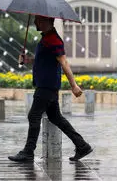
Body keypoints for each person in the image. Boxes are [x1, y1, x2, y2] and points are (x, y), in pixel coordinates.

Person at [8, 15, 93, 162]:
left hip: (47, 86)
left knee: (33, 116)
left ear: (46, 21)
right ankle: (82, 145)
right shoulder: (47, 38)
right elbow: (45, 60)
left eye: (37, 20)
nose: (35, 22)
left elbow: (63, 62)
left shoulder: (53, 40)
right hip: (47, 85)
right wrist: (26, 59)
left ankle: (28, 152)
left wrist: (74, 85)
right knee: (56, 118)